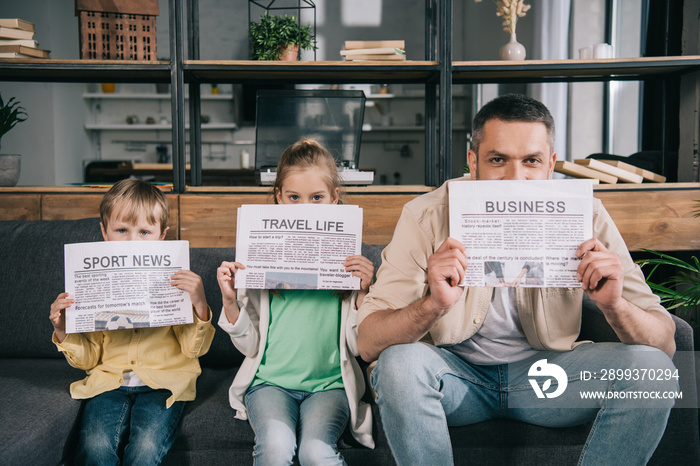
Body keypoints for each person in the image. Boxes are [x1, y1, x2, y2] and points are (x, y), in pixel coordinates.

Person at [357, 94, 678, 465]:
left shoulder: (585, 213)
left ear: (551, 164)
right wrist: (433, 305)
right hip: (457, 377)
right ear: (472, 161)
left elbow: (665, 342)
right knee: (399, 364)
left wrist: (615, 306)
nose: (516, 177)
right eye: (498, 160)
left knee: (653, 370)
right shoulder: (426, 214)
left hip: (549, 377)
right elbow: (368, 342)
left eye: (531, 161)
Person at [217, 138, 375, 465]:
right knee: (275, 448)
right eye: (294, 197)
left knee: (316, 452)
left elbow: (359, 347)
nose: (305, 207)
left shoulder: (351, 264)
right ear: (278, 197)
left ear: (334, 199)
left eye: (317, 197)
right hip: (269, 384)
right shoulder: (257, 257)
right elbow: (249, 347)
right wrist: (230, 299)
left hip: (330, 385)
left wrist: (363, 294)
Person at [49, 178, 216, 465]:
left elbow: (192, 351)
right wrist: (63, 329)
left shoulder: (176, 280)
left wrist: (199, 303)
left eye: (144, 232)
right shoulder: (89, 283)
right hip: (107, 383)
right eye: (122, 230)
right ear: (104, 231)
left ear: (161, 236)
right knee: (94, 446)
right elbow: (88, 360)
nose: (132, 241)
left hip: (163, 383)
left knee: (146, 449)